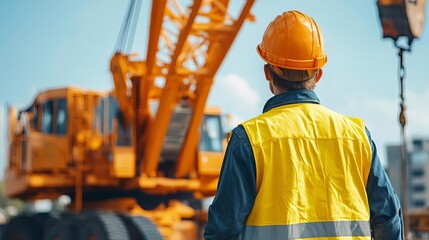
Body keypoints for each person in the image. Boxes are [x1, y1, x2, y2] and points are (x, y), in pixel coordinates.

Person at [204, 10, 404, 240]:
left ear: (267, 72)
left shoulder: (248, 140)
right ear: (318, 75)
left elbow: (223, 232)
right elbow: (388, 216)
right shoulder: (357, 137)